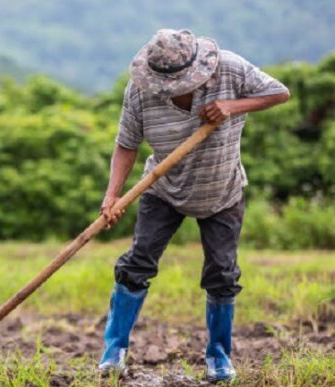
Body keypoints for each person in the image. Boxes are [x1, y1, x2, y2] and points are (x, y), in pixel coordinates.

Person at [98, 29, 290, 382]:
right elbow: (126, 144)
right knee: (137, 264)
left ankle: (218, 357)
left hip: (222, 190)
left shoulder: (230, 69)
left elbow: (279, 92)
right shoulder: (141, 90)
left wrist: (232, 106)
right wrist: (112, 196)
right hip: (163, 188)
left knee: (222, 273)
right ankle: (114, 352)